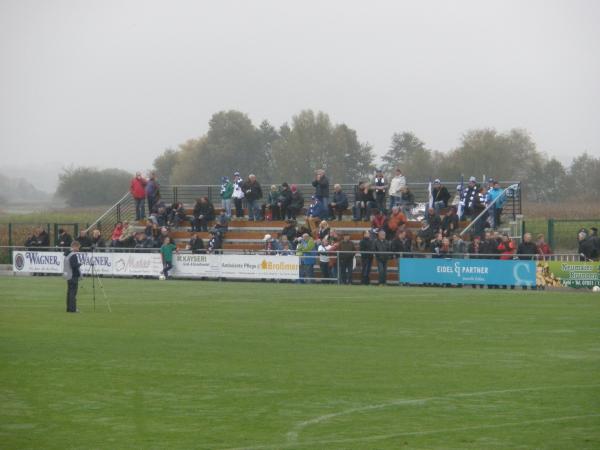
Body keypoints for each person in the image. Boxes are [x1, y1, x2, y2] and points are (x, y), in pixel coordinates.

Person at [63, 241, 82, 313]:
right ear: (75, 246)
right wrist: (79, 264)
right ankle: (73, 309)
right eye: (78, 248)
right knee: (73, 293)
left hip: (68, 275)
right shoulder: (73, 255)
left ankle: (69, 308)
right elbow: (73, 265)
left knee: (69, 292)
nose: (78, 250)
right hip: (73, 275)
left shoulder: (67, 253)